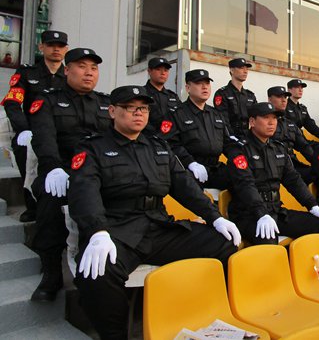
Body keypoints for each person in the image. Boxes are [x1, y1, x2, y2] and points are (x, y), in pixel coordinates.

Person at [69, 85, 240, 339]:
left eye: (144, 108)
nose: (138, 113)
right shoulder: (93, 148)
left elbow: (184, 186)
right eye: (130, 107)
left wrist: (215, 217)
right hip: (118, 230)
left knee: (223, 243)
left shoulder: (158, 146)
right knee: (97, 274)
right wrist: (97, 231)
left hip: (158, 226)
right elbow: (84, 193)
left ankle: (194, 315)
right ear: (112, 111)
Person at [28, 48, 112, 301]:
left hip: (101, 168)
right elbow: (44, 137)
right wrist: (52, 167)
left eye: (94, 68)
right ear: (67, 70)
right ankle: (51, 271)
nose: (89, 72)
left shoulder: (107, 103)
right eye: (82, 66)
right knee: (51, 197)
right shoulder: (48, 100)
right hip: (63, 168)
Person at [226, 102, 319, 245]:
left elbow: (293, 180)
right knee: (268, 238)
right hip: (249, 214)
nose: (272, 122)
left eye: (274, 118)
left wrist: (312, 205)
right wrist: (261, 213)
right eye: (266, 118)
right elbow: (245, 185)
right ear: (252, 122)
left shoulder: (278, 148)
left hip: (275, 211)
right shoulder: (239, 149)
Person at [1, 30, 68, 222]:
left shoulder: (70, 74)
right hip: (32, 130)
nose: (56, 49)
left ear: (66, 49)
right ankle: (31, 205)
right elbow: (12, 102)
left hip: (62, 130)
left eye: (60, 46)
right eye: (51, 45)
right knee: (24, 151)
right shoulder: (27, 73)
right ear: (41, 47)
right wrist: (23, 129)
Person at [166, 69, 232, 190]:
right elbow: (171, 144)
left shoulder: (216, 114)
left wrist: (238, 158)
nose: (204, 87)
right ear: (188, 88)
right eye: (198, 83)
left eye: (207, 83)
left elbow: (228, 143)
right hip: (190, 169)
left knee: (243, 180)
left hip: (215, 167)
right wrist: (190, 163)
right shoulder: (176, 114)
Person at [268, 86, 315, 183]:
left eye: (285, 97)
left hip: (292, 163)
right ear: (269, 99)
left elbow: (304, 146)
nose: (284, 100)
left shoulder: (290, 124)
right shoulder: (264, 123)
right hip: (274, 166)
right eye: (279, 97)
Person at [213, 57, 257, 138]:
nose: (245, 71)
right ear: (232, 70)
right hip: (230, 138)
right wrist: (232, 138)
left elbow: (256, 118)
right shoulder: (222, 93)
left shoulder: (250, 95)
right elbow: (223, 120)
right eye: (241, 68)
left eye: (247, 68)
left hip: (248, 137)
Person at [143, 57, 181, 135]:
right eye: (158, 69)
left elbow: (181, 118)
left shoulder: (173, 96)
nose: (163, 73)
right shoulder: (142, 94)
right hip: (149, 138)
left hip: (172, 139)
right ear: (149, 71)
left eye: (166, 70)